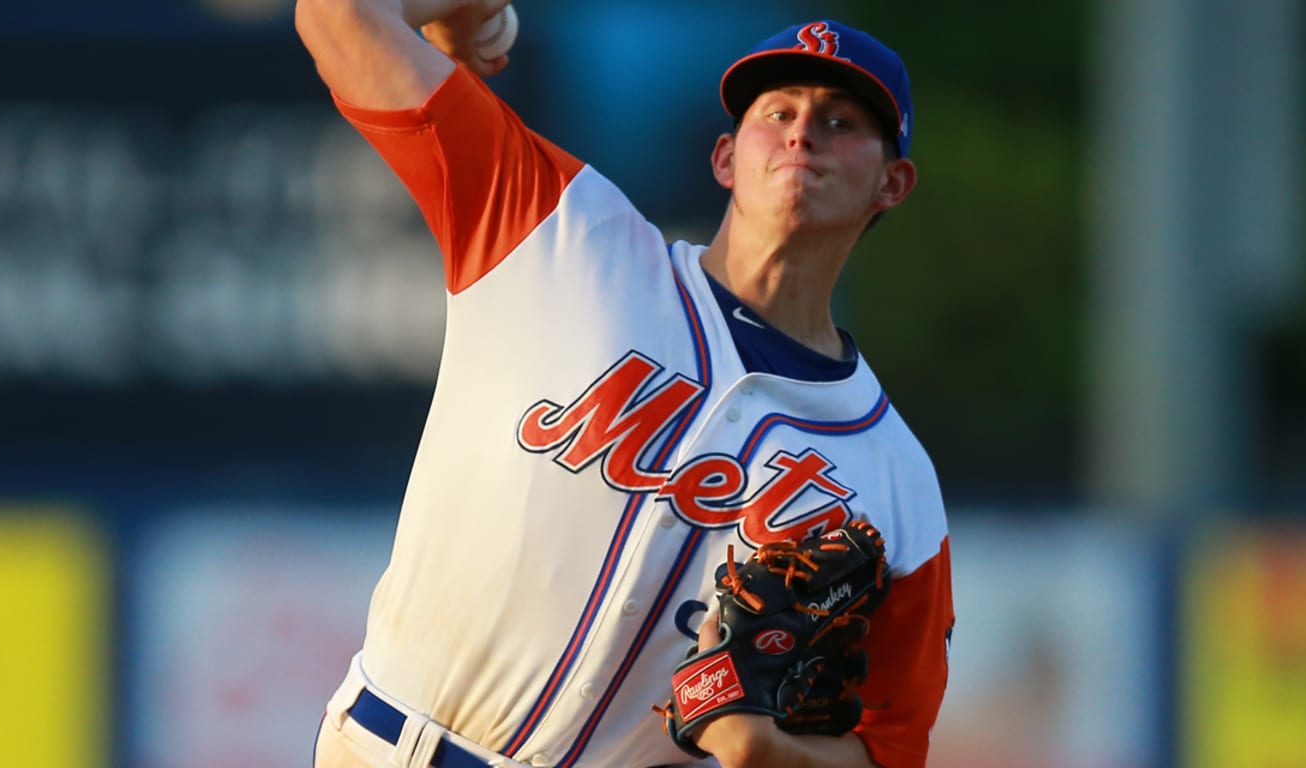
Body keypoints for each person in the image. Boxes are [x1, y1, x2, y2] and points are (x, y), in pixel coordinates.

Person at [295, 1, 955, 766]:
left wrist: (770, 751)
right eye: (777, 112)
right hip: (390, 743)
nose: (803, 132)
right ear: (724, 157)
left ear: (893, 182)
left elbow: (889, 749)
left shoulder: (896, 483)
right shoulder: (560, 234)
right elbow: (337, 16)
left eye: (842, 122)